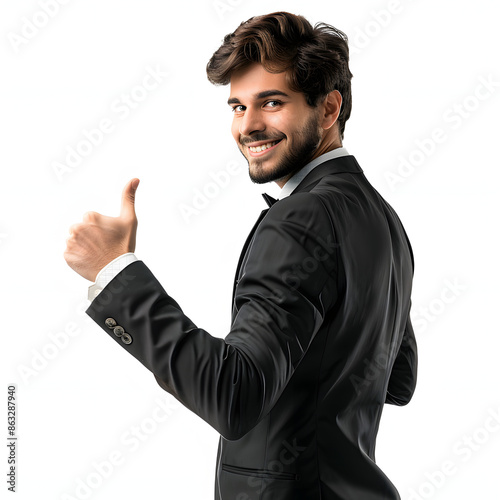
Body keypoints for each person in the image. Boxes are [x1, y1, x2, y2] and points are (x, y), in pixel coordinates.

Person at [64, 11, 417, 499]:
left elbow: (235, 397)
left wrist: (115, 271)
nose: (248, 126)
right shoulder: (381, 218)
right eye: (236, 107)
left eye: (271, 103)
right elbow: (397, 379)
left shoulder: (303, 218)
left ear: (330, 109)